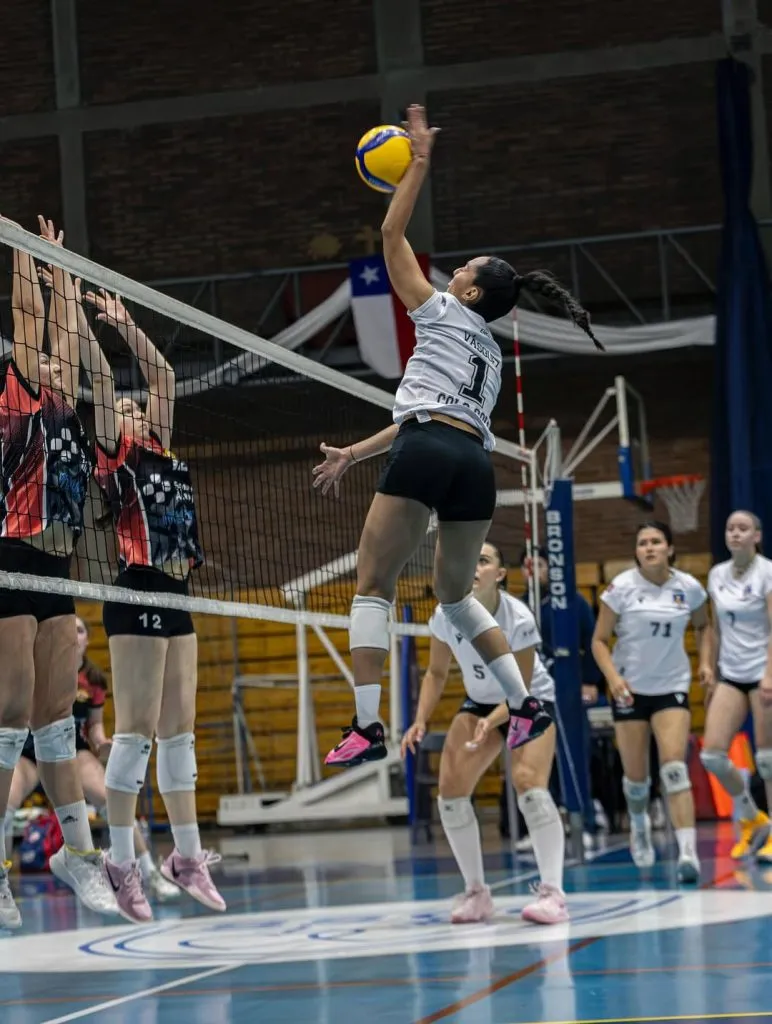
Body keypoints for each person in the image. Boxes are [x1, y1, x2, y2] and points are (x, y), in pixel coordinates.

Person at [313, 104, 602, 769]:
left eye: (463, 270)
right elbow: (432, 420)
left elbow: (390, 235)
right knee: (454, 595)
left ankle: (367, 724)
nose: (453, 274)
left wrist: (417, 165)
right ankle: (527, 702)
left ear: (468, 293)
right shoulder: (493, 357)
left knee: (371, 586)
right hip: (473, 463)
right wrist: (356, 453)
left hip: (429, 448)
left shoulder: (441, 310)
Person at [77, 284, 225, 922]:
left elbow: (160, 374)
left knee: (179, 735)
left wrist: (126, 321)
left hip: (177, 589)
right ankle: (119, 862)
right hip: (135, 587)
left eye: (142, 408)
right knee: (133, 735)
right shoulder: (117, 457)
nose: (138, 407)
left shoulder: (162, 448)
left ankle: (185, 857)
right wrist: (92, 329)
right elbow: (108, 384)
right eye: (129, 408)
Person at [0, 221, 117, 930]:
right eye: (41, 359)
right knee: (10, 713)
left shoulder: (65, 408)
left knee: (52, 719)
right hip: (9, 553)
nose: (53, 365)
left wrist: (64, 277)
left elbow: (65, 346)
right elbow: (27, 326)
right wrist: (23, 255)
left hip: (57, 560)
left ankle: (78, 854)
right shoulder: (15, 399)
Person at [402, 542, 567, 924]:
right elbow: (436, 673)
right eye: (468, 558)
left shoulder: (518, 617)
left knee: (529, 784)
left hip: (529, 700)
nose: (473, 567)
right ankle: (476, 892)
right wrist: (421, 719)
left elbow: (520, 689)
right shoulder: (446, 614)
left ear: (500, 573)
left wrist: (494, 723)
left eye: (484, 560)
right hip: (480, 702)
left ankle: (553, 893)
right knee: (450, 794)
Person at [4, 617, 180, 901]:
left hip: (72, 751)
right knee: (5, 804)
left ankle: (150, 874)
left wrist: (101, 742)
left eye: (80, 630)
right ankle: (3, 884)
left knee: (113, 799)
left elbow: (94, 725)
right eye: (69, 628)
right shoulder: (38, 668)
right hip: (29, 751)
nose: (74, 634)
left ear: (87, 639)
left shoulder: (94, 679)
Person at [592, 521, 710, 882]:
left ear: (670, 549)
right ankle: (639, 824)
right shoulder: (622, 588)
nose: (649, 547)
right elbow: (599, 640)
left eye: (656, 541)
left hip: (671, 686)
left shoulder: (688, 588)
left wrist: (705, 663)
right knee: (637, 780)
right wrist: (614, 679)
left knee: (674, 769)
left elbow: (705, 626)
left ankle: (688, 853)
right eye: (642, 542)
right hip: (630, 690)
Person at [701, 510, 772, 862]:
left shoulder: (768, 573)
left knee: (767, 760)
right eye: (730, 528)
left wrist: (770, 674)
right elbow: (714, 628)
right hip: (731, 672)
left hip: (763, 670)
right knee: (712, 755)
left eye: (743, 529)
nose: (735, 534)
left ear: (757, 536)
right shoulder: (717, 575)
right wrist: (709, 670)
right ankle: (751, 818)